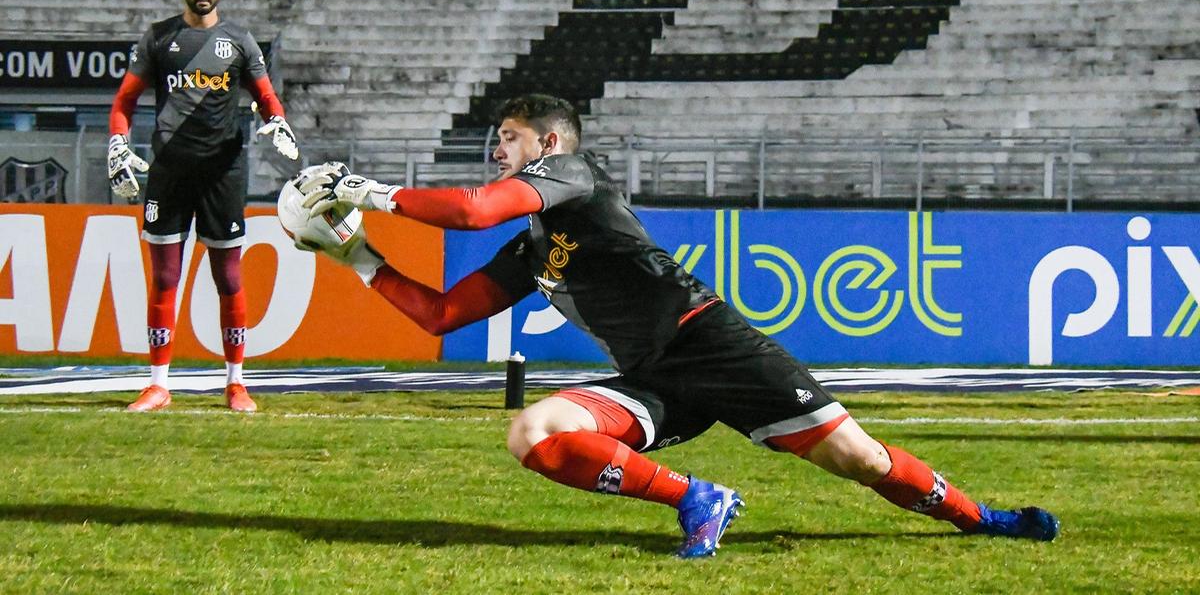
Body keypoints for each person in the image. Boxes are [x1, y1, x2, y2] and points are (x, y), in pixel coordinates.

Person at [287, 94, 1060, 559]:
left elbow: (466, 210)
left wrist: (363, 187)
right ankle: (698, 498)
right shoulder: (532, 245)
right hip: (655, 376)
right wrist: (354, 254)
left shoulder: (574, 176)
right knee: (534, 432)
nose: (499, 149)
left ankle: (981, 518)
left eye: (510, 138)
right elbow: (443, 312)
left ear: (548, 144)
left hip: (710, 343)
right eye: (500, 140)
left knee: (859, 459)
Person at [107, 0, 300, 413]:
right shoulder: (158, 39)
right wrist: (117, 143)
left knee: (229, 278)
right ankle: (158, 384)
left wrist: (276, 119)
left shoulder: (239, 41)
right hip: (169, 170)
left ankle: (236, 384)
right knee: (165, 276)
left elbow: (266, 95)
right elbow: (123, 102)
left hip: (222, 171)